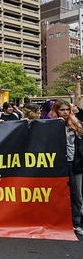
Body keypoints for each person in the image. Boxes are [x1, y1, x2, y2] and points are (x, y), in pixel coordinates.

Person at [50, 99, 83, 236]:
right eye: (61, 110)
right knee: (57, 195)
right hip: (58, 165)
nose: (64, 113)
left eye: (67, 110)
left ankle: (75, 223)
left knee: (77, 195)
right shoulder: (49, 125)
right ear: (56, 111)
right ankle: (58, 222)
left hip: (75, 164)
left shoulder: (77, 124)